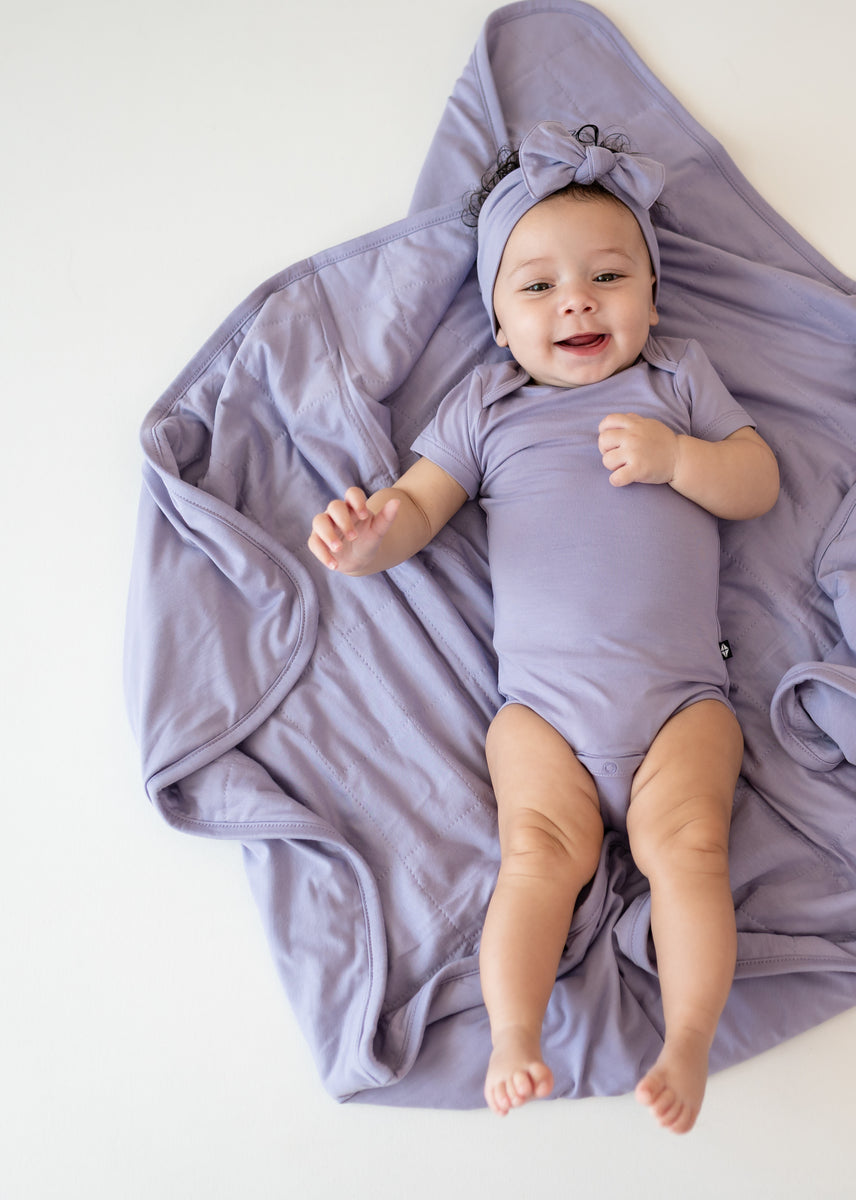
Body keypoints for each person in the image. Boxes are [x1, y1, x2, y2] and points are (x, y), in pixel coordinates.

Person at [308, 121, 779, 1133]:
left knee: (692, 847)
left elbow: (756, 481)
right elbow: (418, 508)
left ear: (652, 296)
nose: (577, 300)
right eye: (538, 286)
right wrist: (370, 537)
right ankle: (516, 1036)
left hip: (682, 704)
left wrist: (681, 461)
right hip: (543, 716)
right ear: (498, 320)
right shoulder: (484, 406)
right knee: (534, 857)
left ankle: (689, 1037)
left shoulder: (676, 382)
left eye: (609, 276)